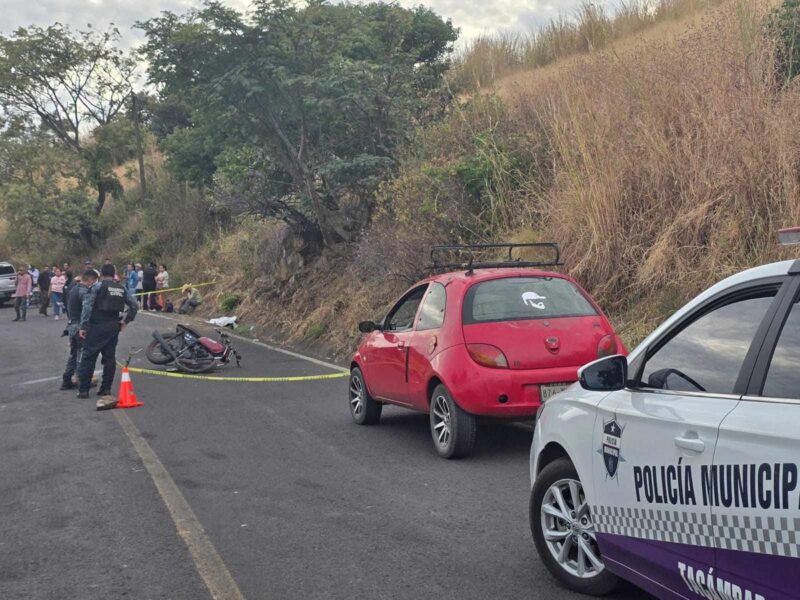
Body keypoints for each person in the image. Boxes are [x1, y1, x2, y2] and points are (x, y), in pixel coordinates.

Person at [76, 264, 138, 408]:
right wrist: (125, 321)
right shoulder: (121, 288)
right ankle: (106, 388)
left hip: (97, 325)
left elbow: (87, 306)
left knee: (89, 356)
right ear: (114, 273)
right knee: (109, 358)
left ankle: (84, 390)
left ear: (102, 274)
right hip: (113, 326)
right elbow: (134, 305)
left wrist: (83, 326)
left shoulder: (97, 287)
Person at [60, 271, 97, 390]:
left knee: (74, 354)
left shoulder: (73, 290)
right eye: (94, 281)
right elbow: (86, 309)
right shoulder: (84, 291)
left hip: (71, 324)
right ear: (90, 279)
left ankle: (66, 380)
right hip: (79, 326)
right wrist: (84, 326)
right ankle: (82, 381)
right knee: (82, 354)